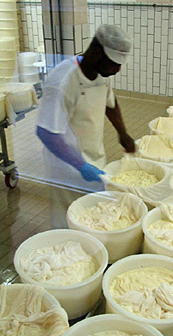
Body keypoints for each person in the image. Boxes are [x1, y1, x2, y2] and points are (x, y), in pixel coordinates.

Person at [36, 24, 135, 228]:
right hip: (66, 166)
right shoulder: (62, 81)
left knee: (95, 217)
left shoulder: (101, 74)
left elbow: (110, 102)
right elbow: (45, 132)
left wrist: (122, 132)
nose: (117, 70)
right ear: (97, 52)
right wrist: (81, 165)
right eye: (115, 64)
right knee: (69, 220)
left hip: (94, 158)